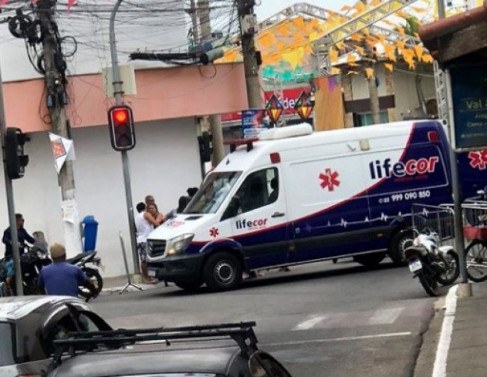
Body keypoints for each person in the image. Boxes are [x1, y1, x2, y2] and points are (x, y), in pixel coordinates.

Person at [135, 203, 162, 283]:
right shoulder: (146, 214)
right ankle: (148, 278)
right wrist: (159, 218)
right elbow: (155, 223)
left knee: (143, 259)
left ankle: (147, 278)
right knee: (147, 260)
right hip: (146, 239)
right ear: (145, 208)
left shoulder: (137, 217)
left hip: (140, 239)